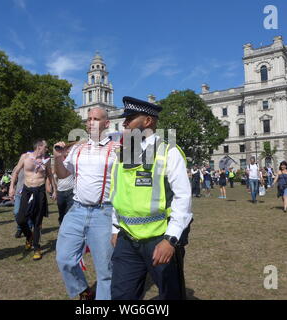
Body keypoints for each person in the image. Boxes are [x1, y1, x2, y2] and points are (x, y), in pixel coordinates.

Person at [109, 96, 192, 300]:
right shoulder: (123, 153)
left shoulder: (168, 152)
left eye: (130, 118)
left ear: (147, 122)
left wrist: (170, 240)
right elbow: (117, 193)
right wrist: (114, 228)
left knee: (169, 295)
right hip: (126, 239)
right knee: (121, 296)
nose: (125, 123)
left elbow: (183, 198)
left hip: (160, 239)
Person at [54, 107, 118, 300]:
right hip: (77, 210)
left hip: (104, 212)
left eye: (96, 119)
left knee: (105, 270)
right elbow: (63, 174)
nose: (91, 122)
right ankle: (83, 290)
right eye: (89, 119)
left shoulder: (116, 149)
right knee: (64, 258)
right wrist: (58, 158)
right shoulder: (77, 148)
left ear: (106, 123)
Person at [9, 139, 57, 261]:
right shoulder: (25, 156)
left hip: (39, 191)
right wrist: (11, 187)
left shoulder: (46, 160)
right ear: (39, 147)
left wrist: (54, 190)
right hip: (26, 190)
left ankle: (36, 247)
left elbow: (50, 175)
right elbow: (16, 171)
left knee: (37, 221)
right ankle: (29, 236)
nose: (47, 149)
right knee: (20, 218)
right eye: (45, 147)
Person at [55, 144, 75, 225]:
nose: (67, 152)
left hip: (71, 190)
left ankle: (66, 227)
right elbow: (53, 175)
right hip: (60, 191)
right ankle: (61, 223)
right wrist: (54, 188)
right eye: (65, 150)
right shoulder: (59, 162)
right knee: (61, 212)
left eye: (68, 150)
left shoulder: (72, 161)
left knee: (69, 212)